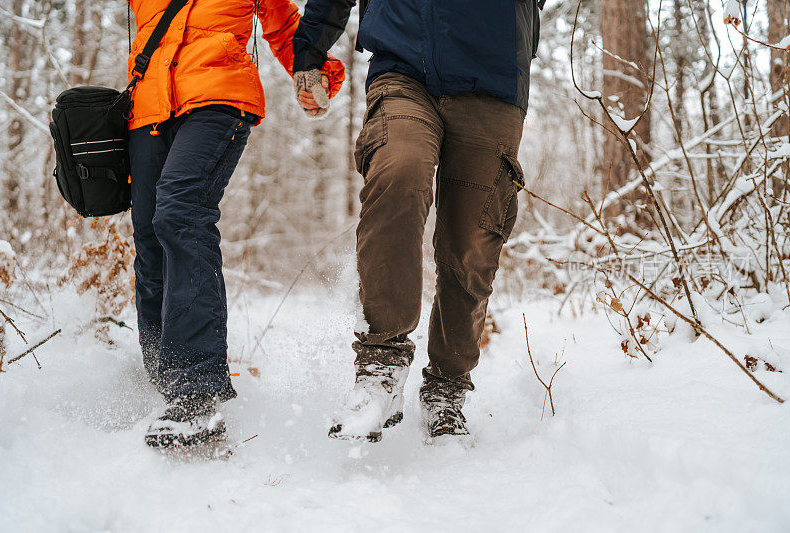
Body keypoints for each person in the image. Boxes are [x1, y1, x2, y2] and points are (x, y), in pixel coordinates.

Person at [292, 0, 541, 444]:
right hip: (403, 68)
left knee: (471, 245)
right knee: (399, 171)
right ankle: (380, 367)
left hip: (493, 81)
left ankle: (446, 390)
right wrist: (309, 51)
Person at [127, 0, 344, 447]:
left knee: (180, 213)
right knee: (149, 236)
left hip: (218, 101)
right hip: (148, 109)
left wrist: (317, 74)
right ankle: (162, 382)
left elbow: (286, 29)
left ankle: (197, 393)